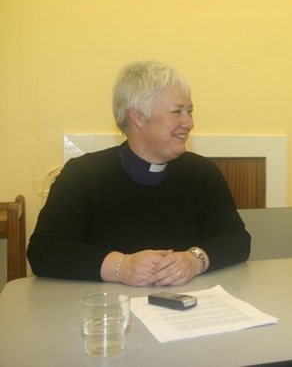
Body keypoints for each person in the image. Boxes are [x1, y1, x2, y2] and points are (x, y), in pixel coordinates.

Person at [28, 60, 251, 286]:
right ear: (138, 117)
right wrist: (120, 266)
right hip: (110, 312)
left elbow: (237, 239)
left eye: (190, 111)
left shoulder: (202, 173)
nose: (189, 123)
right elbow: (44, 250)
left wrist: (194, 260)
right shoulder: (83, 175)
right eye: (177, 112)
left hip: (186, 310)